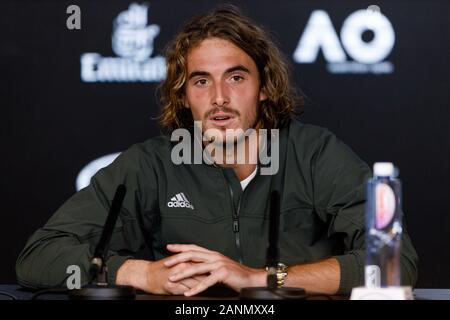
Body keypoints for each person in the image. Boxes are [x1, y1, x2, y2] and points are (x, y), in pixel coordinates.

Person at [16, 6, 418, 296]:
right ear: (184, 95)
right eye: (202, 82)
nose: (220, 99)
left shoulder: (315, 154)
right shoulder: (153, 163)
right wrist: (138, 273)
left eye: (236, 77)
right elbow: (38, 257)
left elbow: (392, 266)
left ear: (264, 87)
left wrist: (257, 277)